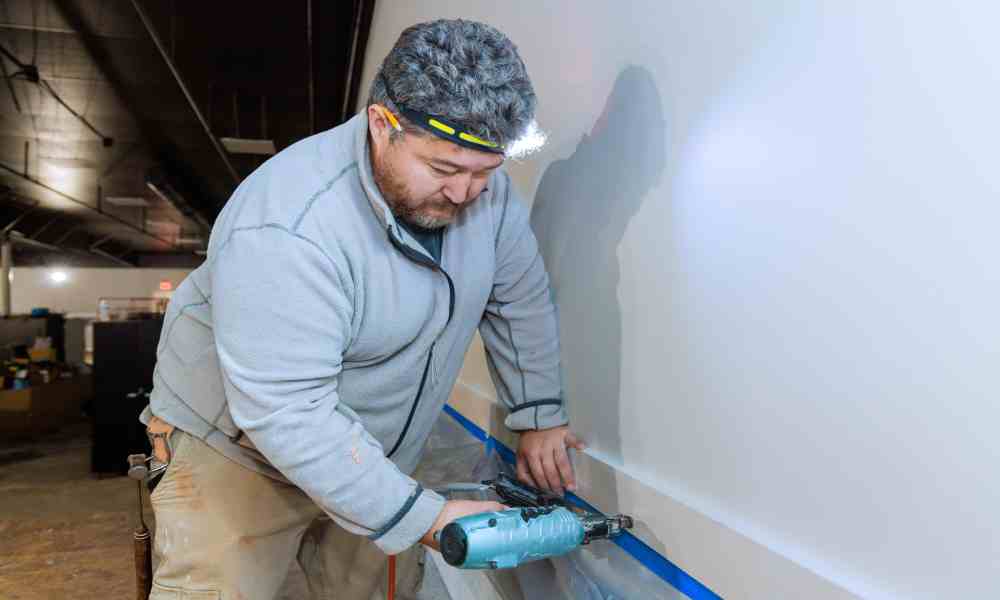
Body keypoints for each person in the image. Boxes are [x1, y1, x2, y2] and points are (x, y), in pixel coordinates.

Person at [140, 18, 581, 600]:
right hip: (238, 453)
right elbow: (288, 412)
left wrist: (539, 415)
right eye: (443, 169)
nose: (464, 194)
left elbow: (517, 300)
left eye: (484, 172)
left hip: (372, 451)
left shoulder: (486, 197)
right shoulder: (289, 226)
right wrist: (425, 518)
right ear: (382, 124)